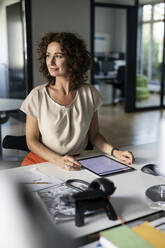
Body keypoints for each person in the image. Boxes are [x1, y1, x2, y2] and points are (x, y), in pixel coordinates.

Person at [20, 32, 134, 170]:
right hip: (40, 162)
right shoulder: (37, 95)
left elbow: (94, 135)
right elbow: (31, 141)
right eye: (48, 55)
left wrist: (116, 152)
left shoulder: (89, 94)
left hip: (73, 163)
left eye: (58, 56)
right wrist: (58, 160)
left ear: (73, 60)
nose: (50, 62)